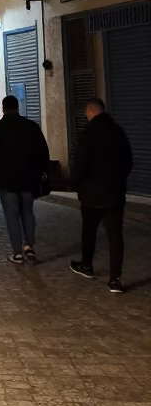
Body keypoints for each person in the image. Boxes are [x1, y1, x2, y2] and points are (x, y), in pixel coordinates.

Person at [69, 97, 133, 293]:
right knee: (115, 236)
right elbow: (128, 161)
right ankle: (115, 279)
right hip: (114, 193)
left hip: (91, 194)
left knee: (89, 230)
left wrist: (76, 184)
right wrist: (118, 181)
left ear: (89, 112)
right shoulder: (118, 132)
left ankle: (87, 265)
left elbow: (79, 164)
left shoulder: (88, 134)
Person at [0, 94, 50, 263]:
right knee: (28, 212)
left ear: (3, 109)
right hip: (29, 179)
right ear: (17, 107)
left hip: (6, 181)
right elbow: (43, 153)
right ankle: (29, 247)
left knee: (12, 214)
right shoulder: (31, 127)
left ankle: (17, 253)